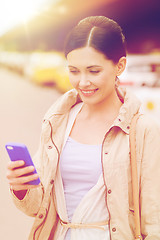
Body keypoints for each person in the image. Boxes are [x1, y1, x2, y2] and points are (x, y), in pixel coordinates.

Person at [6, 16, 160, 240]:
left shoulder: (144, 130)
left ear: (120, 66)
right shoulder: (57, 121)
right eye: (74, 71)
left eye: (94, 71)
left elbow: (153, 219)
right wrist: (21, 187)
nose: (83, 82)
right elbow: (37, 208)